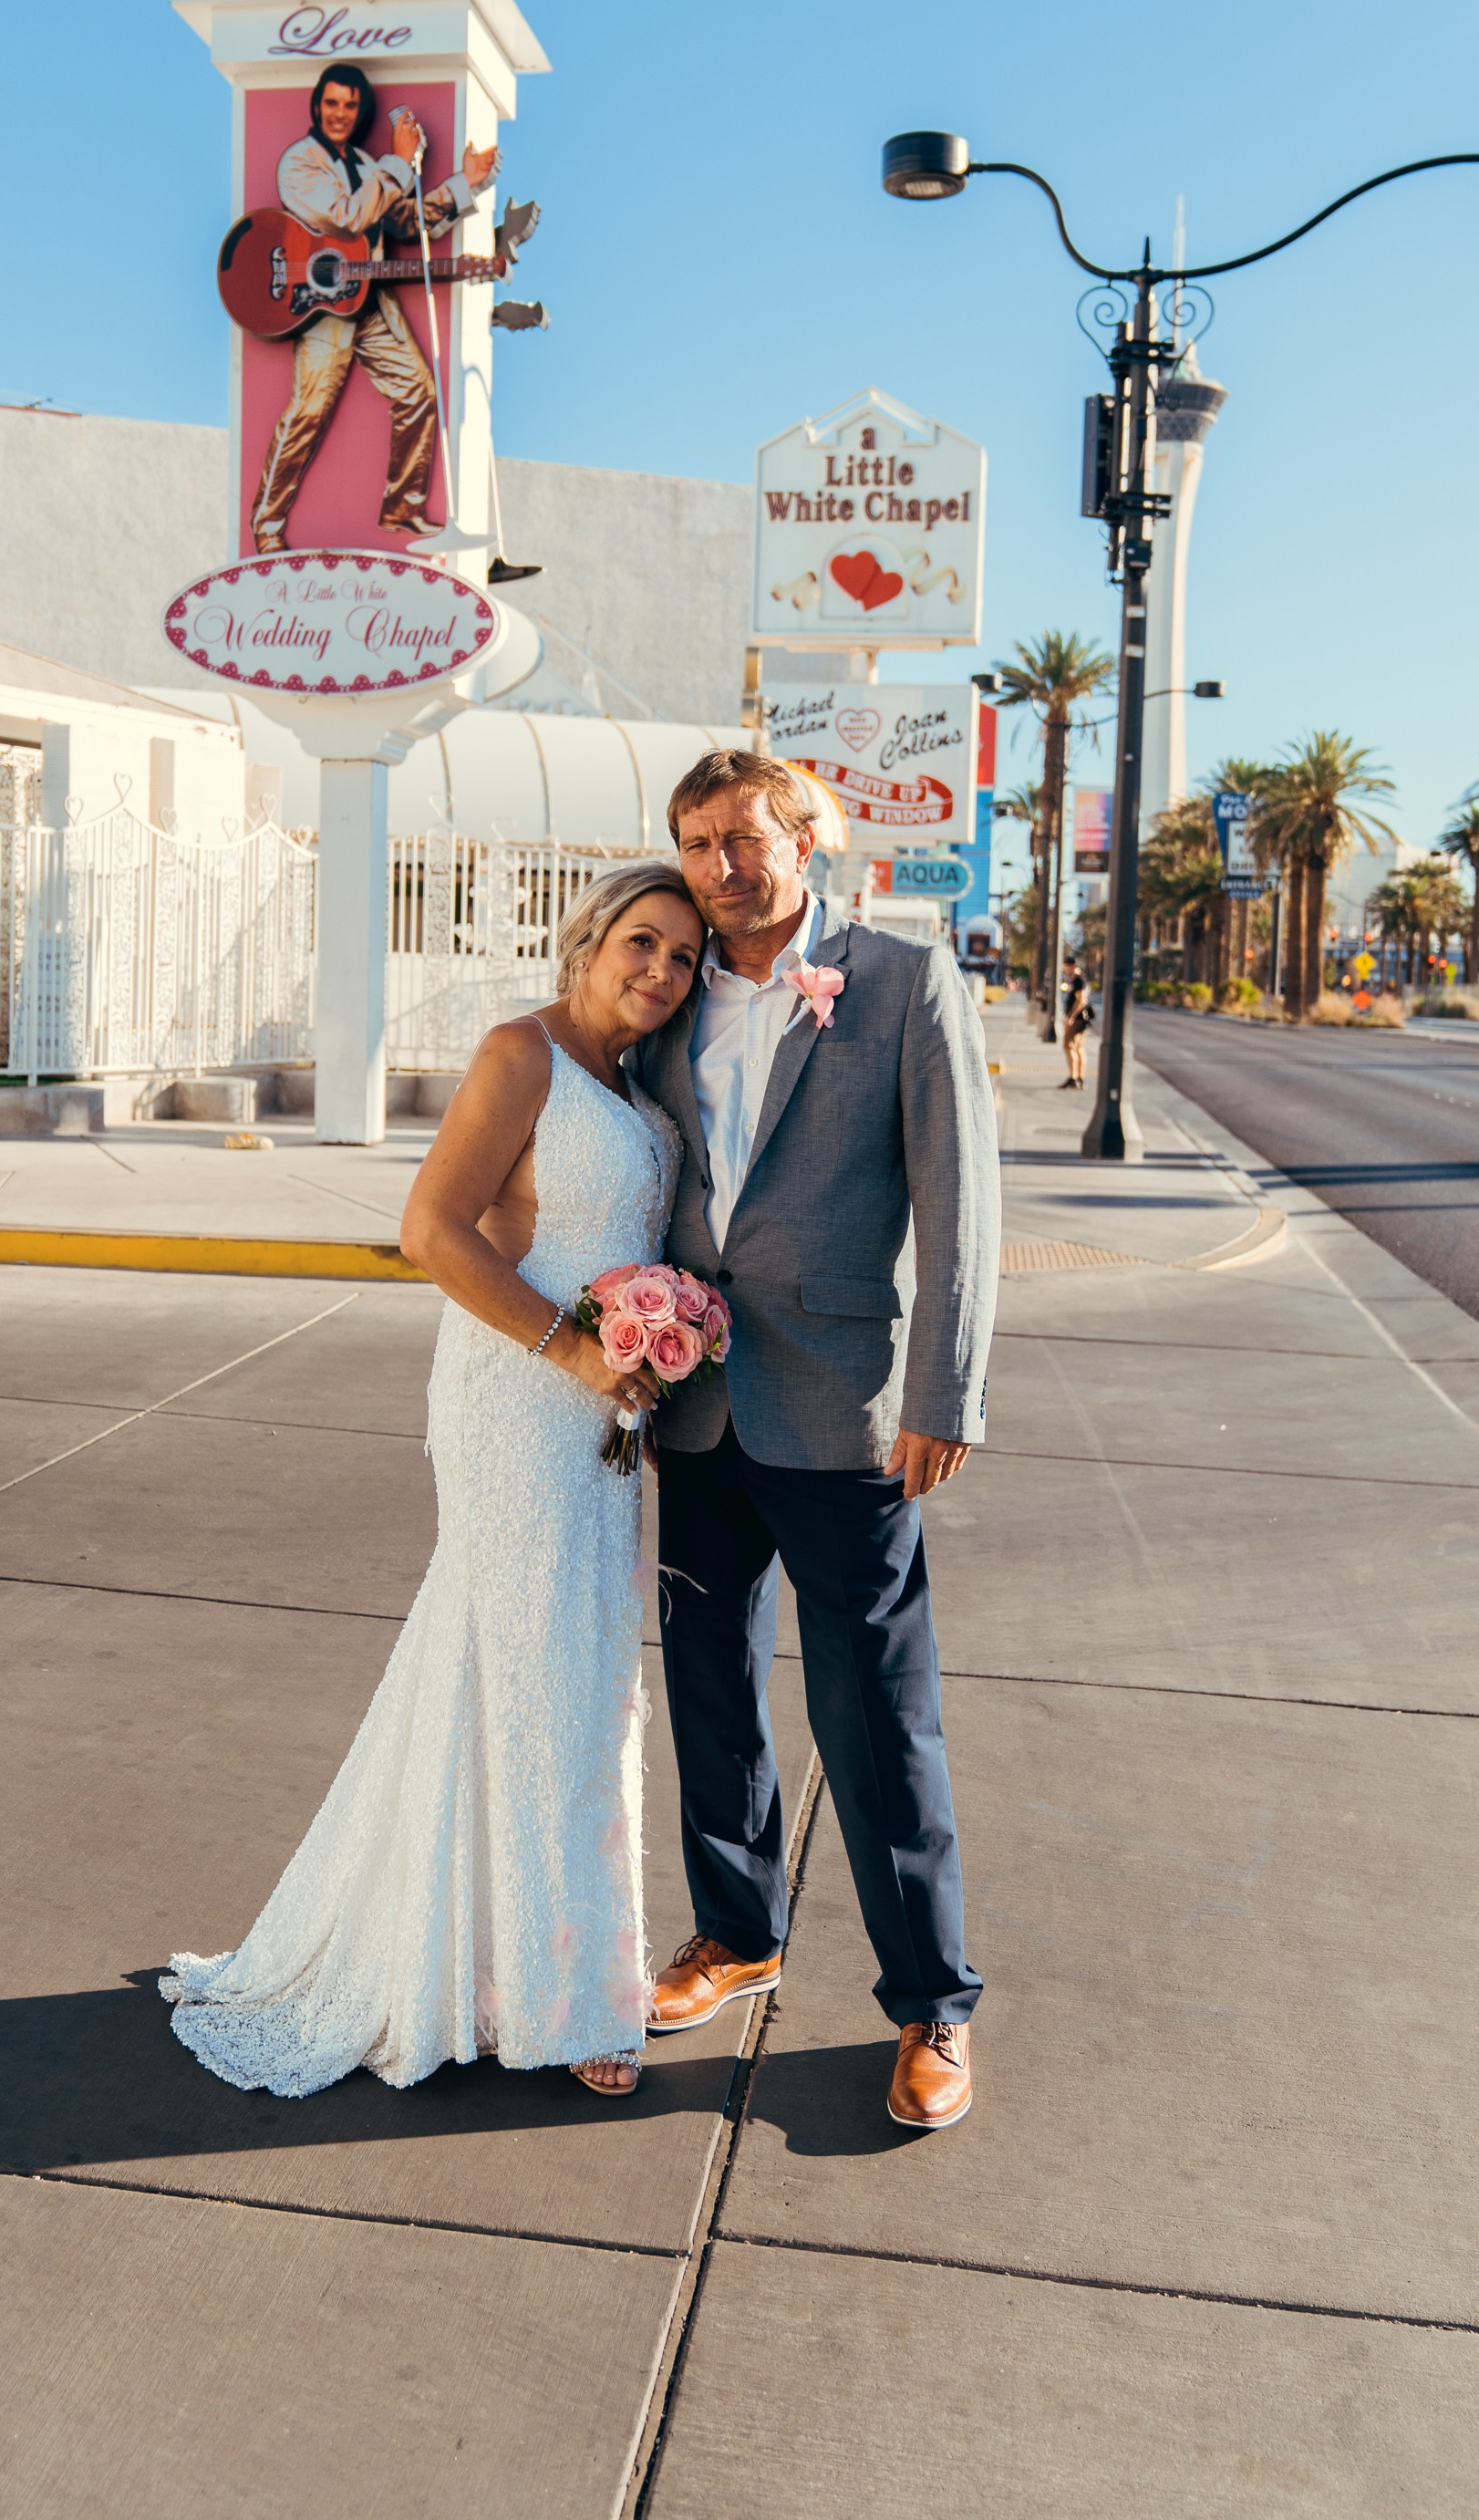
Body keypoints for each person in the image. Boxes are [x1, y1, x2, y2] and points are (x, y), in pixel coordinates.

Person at [160, 864, 702, 2101]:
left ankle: (514, 1968)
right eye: (642, 942)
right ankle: (563, 2001)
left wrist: (652, 1343)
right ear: (590, 939)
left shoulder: (635, 1085)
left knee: (567, 1680)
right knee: (540, 1680)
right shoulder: (524, 1053)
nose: (661, 971)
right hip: (518, 1394)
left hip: (599, 1412)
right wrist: (572, 1348)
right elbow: (431, 1230)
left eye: (681, 957)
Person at [633, 751, 999, 2132]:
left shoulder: (900, 981)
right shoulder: (666, 994)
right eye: (696, 842)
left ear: (807, 838)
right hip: (697, 1399)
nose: (721, 866)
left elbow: (960, 1197)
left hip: (845, 1406)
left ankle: (932, 2003)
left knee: (876, 1715)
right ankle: (737, 1932)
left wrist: (943, 1392)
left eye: (744, 837)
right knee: (711, 1684)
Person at [247, 61, 500, 552]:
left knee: (419, 391)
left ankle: (403, 506)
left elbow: (404, 223)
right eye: (331, 103)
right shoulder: (299, 162)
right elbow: (346, 219)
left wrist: (464, 183)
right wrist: (399, 162)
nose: (340, 114)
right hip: (322, 307)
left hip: (371, 302)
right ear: (316, 106)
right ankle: (267, 524)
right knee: (308, 414)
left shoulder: (366, 164)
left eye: (350, 105)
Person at [1060, 953, 1092, 1089]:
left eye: (1066, 967)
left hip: (1078, 1020)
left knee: (1069, 1046)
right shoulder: (1076, 980)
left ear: (1072, 966)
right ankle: (1079, 1077)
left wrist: (1071, 1017)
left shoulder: (1079, 980)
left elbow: (1081, 1001)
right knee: (1078, 1048)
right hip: (1080, 1020)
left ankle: (1074, 1077)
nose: (1065, 969)